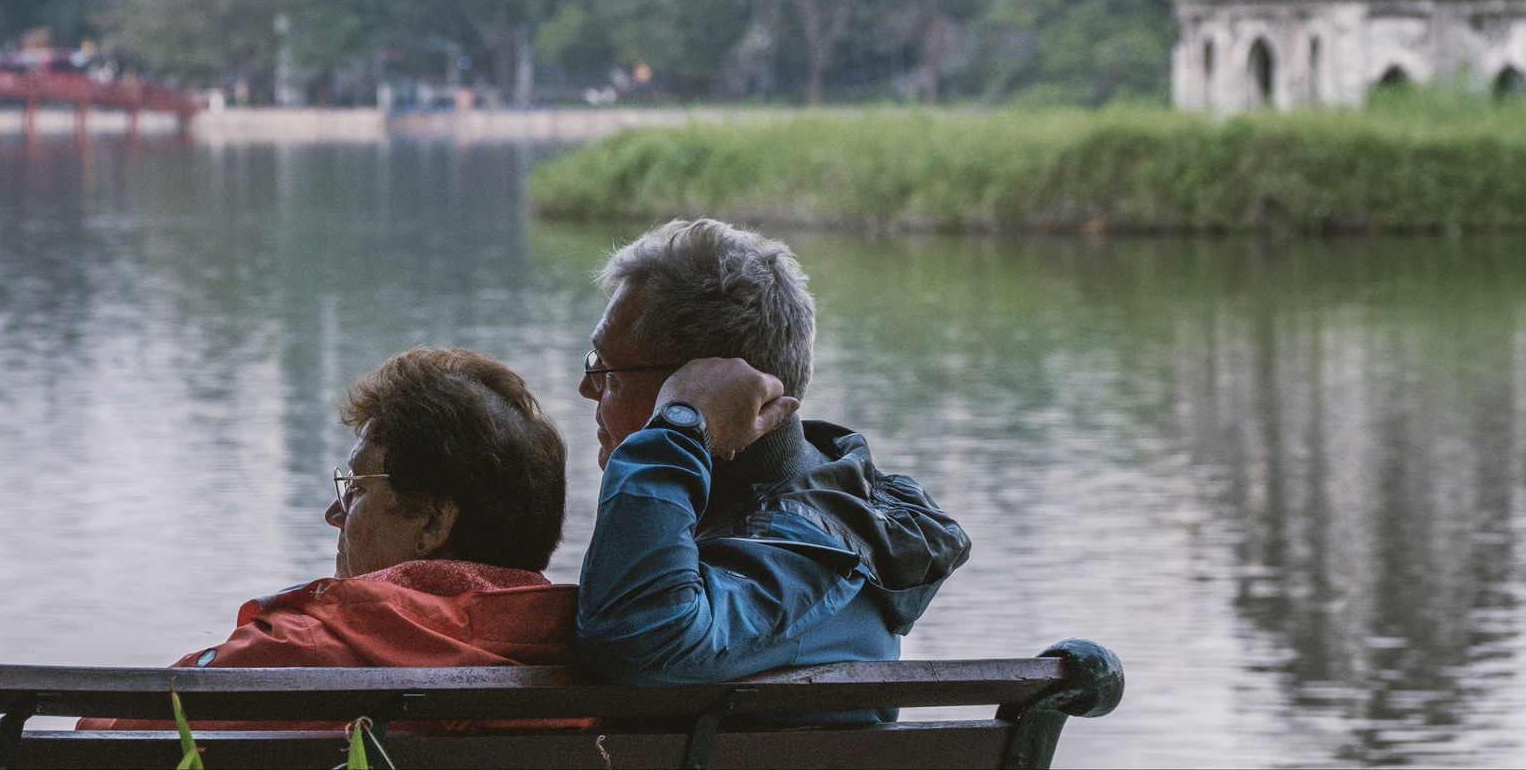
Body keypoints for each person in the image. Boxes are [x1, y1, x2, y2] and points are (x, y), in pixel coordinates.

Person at [81, 347, 574, 729]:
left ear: (432, 524)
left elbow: (100, 737)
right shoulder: (590, 657)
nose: (334, 513)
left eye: (357, 488)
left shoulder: (307, 652)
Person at [575, 218, 970, 687]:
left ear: (704, 387)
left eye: (609, 369)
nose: (587, 387)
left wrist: (679, 425)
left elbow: (636, 640)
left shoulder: (808, 547)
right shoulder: (790, 505)